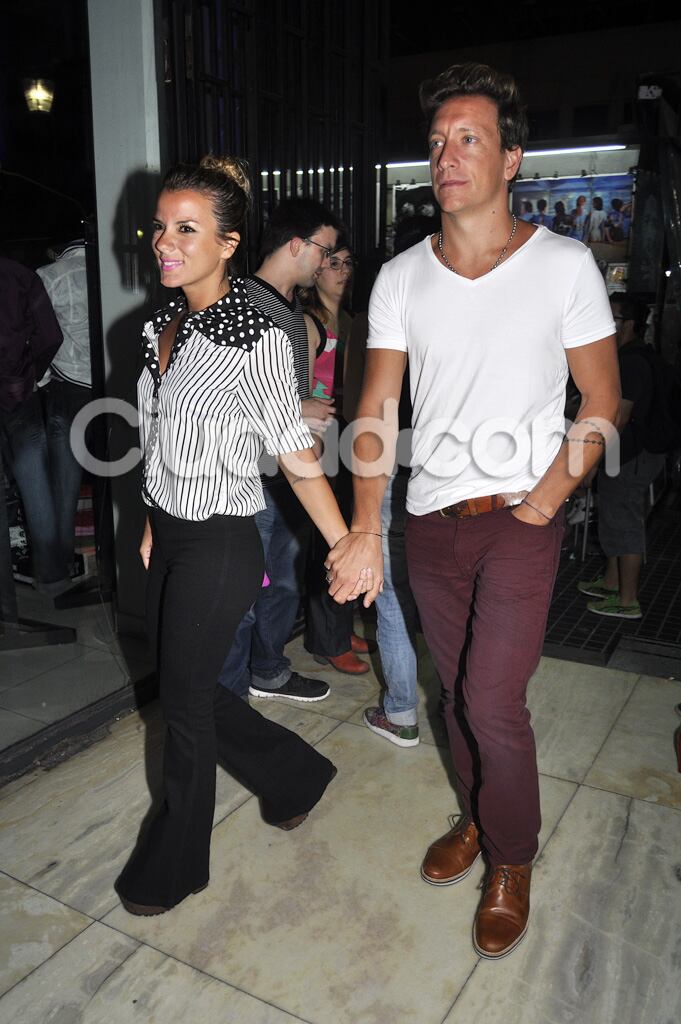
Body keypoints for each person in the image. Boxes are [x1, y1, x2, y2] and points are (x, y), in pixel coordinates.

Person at [326, 61, 620, 959]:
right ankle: (479, 817)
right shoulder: (399, 277)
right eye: (436, 142)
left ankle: (512, 858)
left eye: (469, 139)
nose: (446, 157)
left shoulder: (563, 264)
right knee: (452, 695)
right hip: (429, 523)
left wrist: (543, 503)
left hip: (519, 521)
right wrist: (367, 527)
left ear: (512, 158)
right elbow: (374, 411)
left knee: (493, 700)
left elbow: (602, 402)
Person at [115, 155, 375, 917]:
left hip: (223, 542)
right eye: (160, 227)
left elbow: (296, 459)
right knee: (185, 685)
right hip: (170, 533)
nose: (165, 242)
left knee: (187, 709)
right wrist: (149, 520)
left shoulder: (254, 334)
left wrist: (345, 541)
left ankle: (173, 865)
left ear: (228, 243)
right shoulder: (162, 322)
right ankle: (294, 775)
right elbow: (154, 432)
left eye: (186, 229)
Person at [217, 198, 342, 703]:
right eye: (325, 251)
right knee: (243, 597)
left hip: (283, 473)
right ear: (298, 244)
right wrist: (299, 410)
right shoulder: (241, 304)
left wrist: (301, 415)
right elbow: (221, 399)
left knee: (283, 584)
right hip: (244, 479)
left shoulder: (289, 311)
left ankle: (267, 670)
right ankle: (228, 706)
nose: (328, 263)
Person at [343, 313, 421, 746]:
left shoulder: (379, 324)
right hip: (449, 476)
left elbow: (365, 410)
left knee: (392, 601)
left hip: (388, 474)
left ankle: (402, 713)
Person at [301, 239, 371, 674]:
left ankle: (339, 627)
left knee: (347, 532)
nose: (342, 271)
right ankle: (326, 638)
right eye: (333, 264)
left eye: (348, 263)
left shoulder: (350, 320)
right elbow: (297, 390)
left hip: (348, 433)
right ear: (316, 272)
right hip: (319, 437)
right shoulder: (308, 322)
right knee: (326, 541)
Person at [578, 293, 665, 619]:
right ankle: (613, 583)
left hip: (631, 456)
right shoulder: (631, 356)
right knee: (614, 517)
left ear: (628, 325)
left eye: (611, 318)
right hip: (629, 454)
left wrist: (591, 461)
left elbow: (619, 418)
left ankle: (628, 601)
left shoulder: (630, 363)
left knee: (624, 520)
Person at [0, 256, 71, 594]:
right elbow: (50, 335)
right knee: (35, 481)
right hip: (16, 390)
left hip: (16, 386)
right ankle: (53, 577)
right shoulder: (19, 275)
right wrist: (30, 374)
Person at [36, 240, 92, 578]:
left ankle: (60, 566)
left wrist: (40, 380)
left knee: (64, 482)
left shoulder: (48, 275)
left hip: (67, 386)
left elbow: (41, 335)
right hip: (110, 384)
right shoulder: (114, 271)